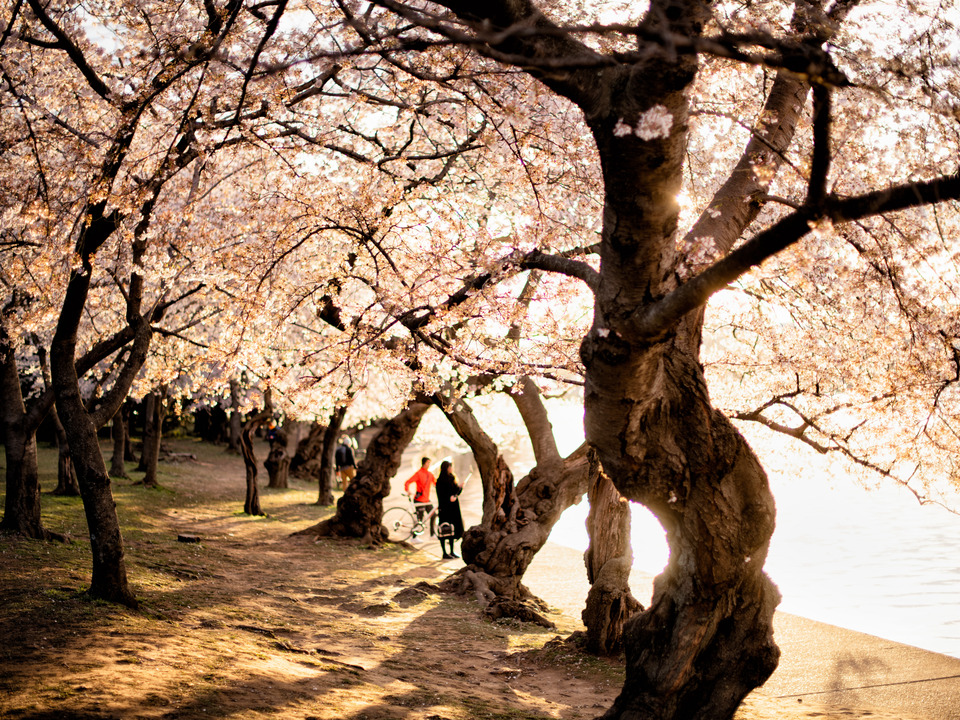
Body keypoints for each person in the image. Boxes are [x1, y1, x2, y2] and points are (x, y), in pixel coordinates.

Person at [435, 460, 464, 559]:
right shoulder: (440, 481)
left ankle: (451, 551)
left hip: (453, 508)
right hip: (445, 508)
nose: (451, 469)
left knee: (452, 529)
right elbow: (441, 495)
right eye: (450, 467)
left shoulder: (452, 478)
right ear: (446, 468)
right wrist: (448, 498)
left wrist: (460, 488)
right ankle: (444, 552)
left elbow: (455, 492)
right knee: (444, 529)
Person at [404, 457, 436, 535]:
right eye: (428, 463)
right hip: (419, 500)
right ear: (424, 463)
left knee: (433, 515)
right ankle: (414, 537)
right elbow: (407, 482)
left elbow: (437, 484)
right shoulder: (418, 473)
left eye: (429, 463)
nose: (429, 464)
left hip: (426, 500)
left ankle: (432, 534)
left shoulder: (430, 474)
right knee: (419, 520)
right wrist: (407, 490)